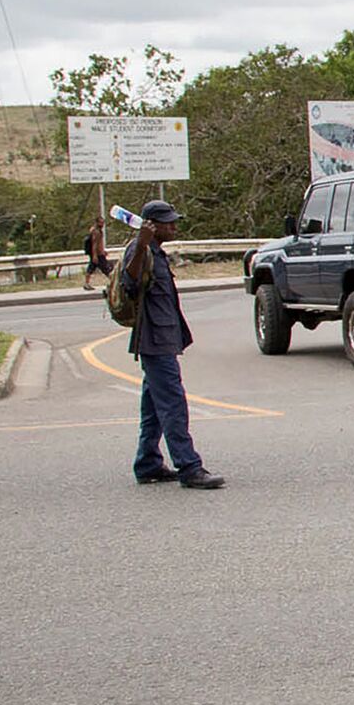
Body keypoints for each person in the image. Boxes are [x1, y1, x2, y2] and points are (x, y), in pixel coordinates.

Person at [121, 200, 225, 490]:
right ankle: (189, 466)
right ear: (151, 226)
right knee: (173, 403)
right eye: (167, 222)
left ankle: (148, 463)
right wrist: (140, 245)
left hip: (164, 336)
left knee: (155, 405)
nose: (174, 226)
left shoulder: (157, 252)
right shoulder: (140, 250)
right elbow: (129, 284)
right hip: (154, 340)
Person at [81, 216, 113, 290]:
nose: (102, 224)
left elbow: (99, 244)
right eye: (101, 222)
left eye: (103, 222)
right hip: (98, 255)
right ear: (97, 223)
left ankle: (86, 283)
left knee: (91, 268)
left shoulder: (97, 231)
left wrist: (103, 251)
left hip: (99, 253)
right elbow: (94, 244)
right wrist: (95, 255)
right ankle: (114, 283)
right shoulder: (96, 232)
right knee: (107, 269)